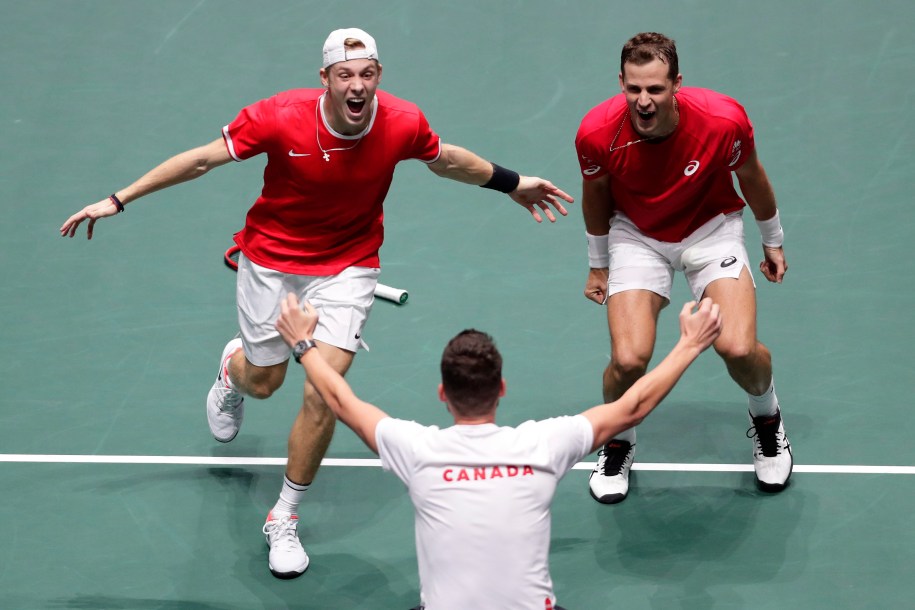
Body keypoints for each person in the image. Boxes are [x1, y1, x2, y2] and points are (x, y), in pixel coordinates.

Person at [59, 27, 574, 579]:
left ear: (379, 76)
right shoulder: (279, 116)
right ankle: (234, 373)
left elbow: (445, 159)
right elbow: (203, 160)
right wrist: (119, 199)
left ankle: (284, 514)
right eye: (345, 75)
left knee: (325, 390)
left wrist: (512, 182)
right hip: (272, 262)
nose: (358, 87)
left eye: (368, 74)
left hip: (350, 265)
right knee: (264, 382)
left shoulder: (401, 121)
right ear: (324, 78)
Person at [274, 293, 722, 610]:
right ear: (502, 389)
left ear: (442, 394)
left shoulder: (417, 449)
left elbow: (340, 402)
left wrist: (302, 343)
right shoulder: (544, 444)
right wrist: (690, 343)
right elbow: (633, 407)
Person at [574, 32, 793, 505]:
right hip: (637, 235)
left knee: (737, 347)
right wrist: (598, 264)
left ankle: (767, 417)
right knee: (629, 359)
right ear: (621, 83)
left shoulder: (722, 121)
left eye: (655, 89)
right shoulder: (596, 133)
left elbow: (751, 177)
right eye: (634, 89)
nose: (644, 101)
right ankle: (618, 438)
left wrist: (772, 240)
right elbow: (595, 196)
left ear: (677, 84)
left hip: (710, 229)